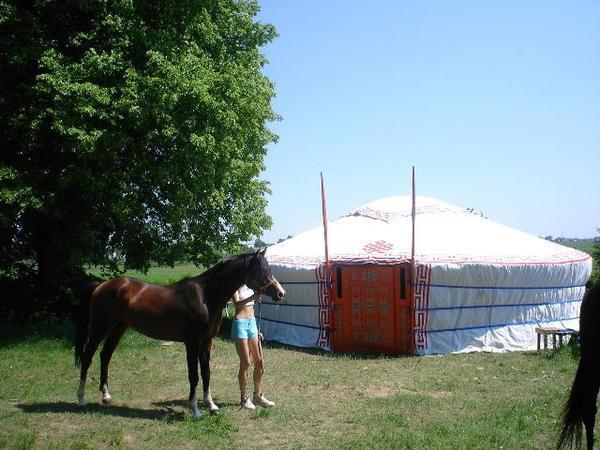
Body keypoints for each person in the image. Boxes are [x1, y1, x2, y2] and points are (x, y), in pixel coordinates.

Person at [231, 284, 275, 410]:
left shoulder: (251, 285)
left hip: (252, 322)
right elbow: (237, 303)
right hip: (240, 323)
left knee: (259, 362)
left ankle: (257, 395)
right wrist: (253, 297)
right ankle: (244, 398)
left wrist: (257, 296)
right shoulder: (235, 286)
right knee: (246, 363)